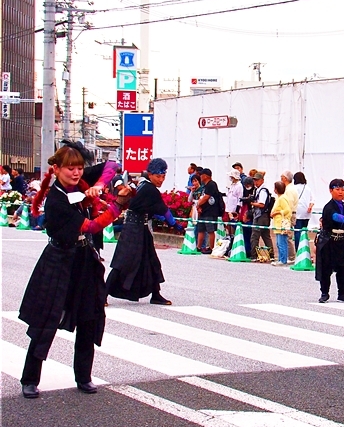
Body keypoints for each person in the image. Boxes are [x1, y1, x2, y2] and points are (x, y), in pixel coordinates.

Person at [18, 141, 129, 399]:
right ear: (56, 169)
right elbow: (91, 226)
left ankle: (84, 376)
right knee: (46, 320)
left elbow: (112, 165)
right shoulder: (56, 200)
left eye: (79, 167)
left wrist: (98, 185)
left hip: (84, 258)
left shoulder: (80, 180)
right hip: (58, 260)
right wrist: (116, 207)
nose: (77, 172)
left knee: (89, 316)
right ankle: (30, 379)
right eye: (70, 168)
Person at [106, 158, 184, 306]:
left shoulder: (143, 185)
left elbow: (151, 209)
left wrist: (166, 220)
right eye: (158, 176)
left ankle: (156, 294)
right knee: (123, 262)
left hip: (141, 228)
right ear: (150, 174)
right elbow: (164, 210)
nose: (161, 180)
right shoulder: (149, 189)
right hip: (133, 229)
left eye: (163, 176)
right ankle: (102, 295)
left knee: (151, 260)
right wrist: (174, 224)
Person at [249, 171, 275, 261]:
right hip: (264, 216)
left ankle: (254, 255)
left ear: (262, 180)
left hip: (260, 216)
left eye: (257, 180)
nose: (255, 182)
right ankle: (271, 255)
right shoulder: (259, 190)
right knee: (266, 236)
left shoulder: (263, 191)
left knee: (255, 236)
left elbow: (262, 204)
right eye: (254, 180)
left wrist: (252, 203)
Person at [196, 168, 221, 254]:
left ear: (206, 176)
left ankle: (211, 247)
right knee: (201, 229)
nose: (200, 177)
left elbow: (206, 197)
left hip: (210, 211)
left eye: (201, 175)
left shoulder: (211, 184)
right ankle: (198, 247)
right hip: (203, 211)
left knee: (210, 230)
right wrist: (199, 206)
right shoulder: (204, 186)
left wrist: (198, 204)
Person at [270, 181, 292, 266]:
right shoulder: (279, 198)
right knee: (279, 243)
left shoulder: (282, 198)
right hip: (278, 224)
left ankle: (283, 260)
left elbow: (287, 210)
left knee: (281, 243)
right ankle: (281, 259)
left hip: (281, 224)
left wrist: (277, 212)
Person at [293, 171, 314, 252]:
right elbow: (312, 200)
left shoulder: (294, 188)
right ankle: (305, 250)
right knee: (304, 232)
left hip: (297, 212)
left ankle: (298, 250)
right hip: (306, 213)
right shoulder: (308, 188)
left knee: (297, 232)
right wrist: (310, 207)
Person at [280, 170, 299, 262]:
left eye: (282, 177)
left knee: (288, 236)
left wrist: (286, 216)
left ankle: (291, 257)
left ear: (285, 178)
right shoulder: (290, 189)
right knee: (286, 236)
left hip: (289, 214)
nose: (281, 178)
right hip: (289, 214)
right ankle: (288, 256)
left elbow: (289, 204)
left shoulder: (289, 190)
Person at [238, 176, 256, 252]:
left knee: (251, 235)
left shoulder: (255, 190)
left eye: (248, 185)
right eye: (245, 185)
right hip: (246, 213)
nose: (247, 187)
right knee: (245, 234)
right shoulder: (244, 190)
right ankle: (246, 250)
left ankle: (250, 251)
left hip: (252, 215)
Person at [224, 169, 244, 239]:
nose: (230, 178)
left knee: (233, 226)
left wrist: (237, 210)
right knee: (229, 225)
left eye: (231, 176)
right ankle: (229, 238)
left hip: (234, 209)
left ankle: (233, 239)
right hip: (229, 208)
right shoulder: (232, 185)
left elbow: (239, 199)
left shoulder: (239, 186)